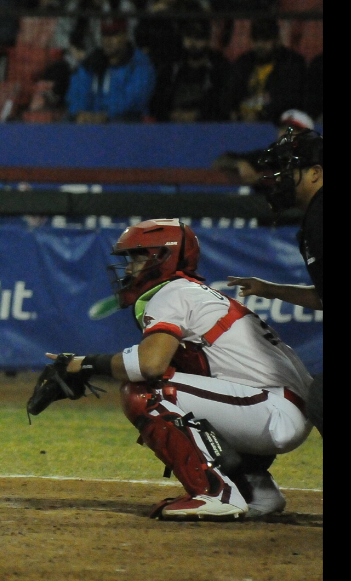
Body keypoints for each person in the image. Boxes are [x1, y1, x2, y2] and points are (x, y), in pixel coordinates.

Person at [43, 219, 312, 520]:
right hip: (286, 408)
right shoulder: (193, 293)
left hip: (271, 409)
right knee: (182, 395)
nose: (130, 268)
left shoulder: (172, 292)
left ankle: (215, 494)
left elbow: (149, 364)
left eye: (138, 257)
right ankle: (257, 491)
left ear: (164, 257)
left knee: (146, 391)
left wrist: (85, 364)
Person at [228, 129, 322, 435]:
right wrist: (270, 289)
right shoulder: (314, 217)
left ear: (316, 173)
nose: (281, 178)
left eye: (291, 170)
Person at [67, 18, 155, 123]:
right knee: (68, 120)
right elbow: (77, 92)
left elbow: (135, 99)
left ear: (125, 36)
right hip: (93, 123)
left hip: (126, 123)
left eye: (114, 34)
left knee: (123, 120)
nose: (108, 40)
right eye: (105, 35)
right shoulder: (92, 61)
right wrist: (80, 113)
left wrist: (106, 115)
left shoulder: (139, 63)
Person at [224, 19, 306, 122]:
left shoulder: (291, 62)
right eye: (256, 40)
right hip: (242, 124)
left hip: (274, 124)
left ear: (276, 40)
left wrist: (261, 115)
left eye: (265, 40)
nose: (260, 45)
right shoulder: (244, 62)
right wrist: (235, 113)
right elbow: (229, 95)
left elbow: (290, 100)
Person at [150, 19, 229, 122]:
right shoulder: (171, 67)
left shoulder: (219, 68)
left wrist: (199, 115)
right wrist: (170, 114)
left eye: (198, 38)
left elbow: (223, 104)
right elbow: (157, 102)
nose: (192, 43)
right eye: (188, 36)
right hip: (171, 127)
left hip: (206, 128)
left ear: (208, 40)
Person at [53, 0, 136, 63]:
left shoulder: (124, 6)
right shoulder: (75, 6)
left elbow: (131, 37)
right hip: (79, 60)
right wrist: (73, 49)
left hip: (114, 59)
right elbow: (60, 34)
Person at [134, 0, 206, 72]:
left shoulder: (191, 7)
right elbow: (140, 38)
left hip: (185, 60)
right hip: (157, 61)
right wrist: (150, 15)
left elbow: (195, 35)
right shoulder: (152, 7)